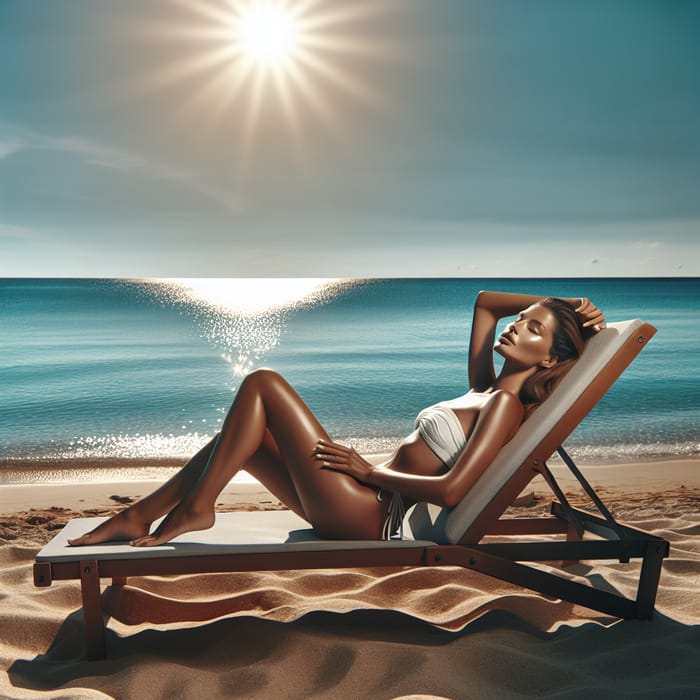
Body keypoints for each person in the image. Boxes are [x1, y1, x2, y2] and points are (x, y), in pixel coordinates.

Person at [68, 290, 606, 547]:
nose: (515, 327)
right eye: (523, 320)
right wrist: (561, 304)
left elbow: (449, 491)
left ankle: (195, 510)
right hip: (358, 499)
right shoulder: (483, 386)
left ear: (552, 359)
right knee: (244, 437)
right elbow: (486, 303)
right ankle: (141, 515)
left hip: (372, 515)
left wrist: (363, 469)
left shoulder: (504, 406)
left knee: (264, 384)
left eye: (533, 330)